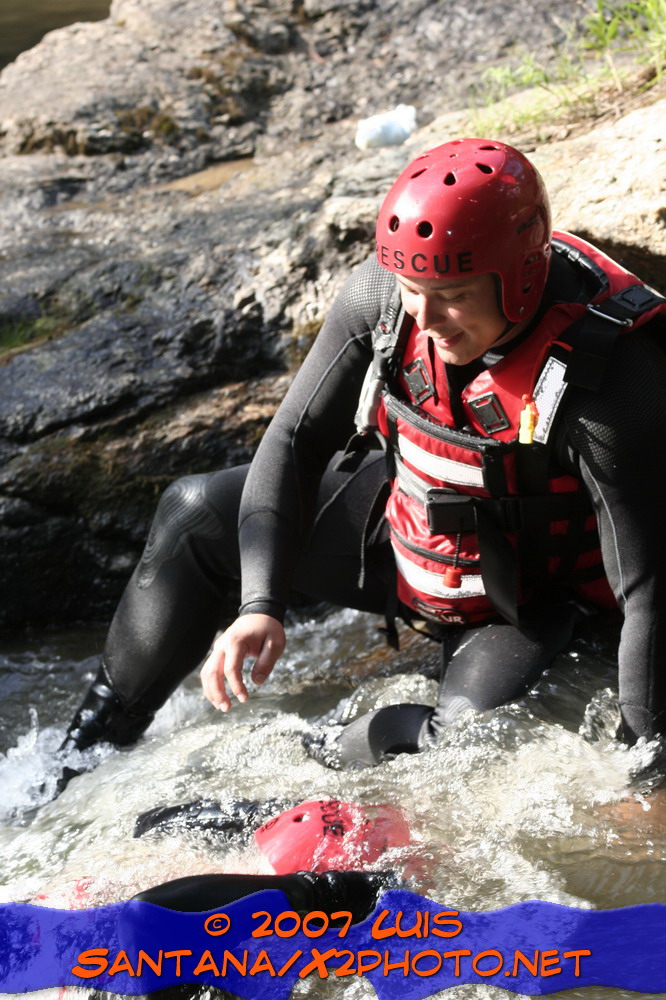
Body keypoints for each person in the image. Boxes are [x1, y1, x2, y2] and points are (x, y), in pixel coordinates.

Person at [60, 137, 666, 774]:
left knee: (465, 746)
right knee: (194, 511)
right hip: (406, 523)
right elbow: (293, 440)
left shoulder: (611, 388)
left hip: (527, 596)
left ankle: (299, 762)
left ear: (520, 274)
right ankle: (83, 754)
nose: (426, 317)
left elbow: (652, 590)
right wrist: (259, 604)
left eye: (454, 294)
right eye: (411, 288)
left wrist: (647, 774)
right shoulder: (381, 299)